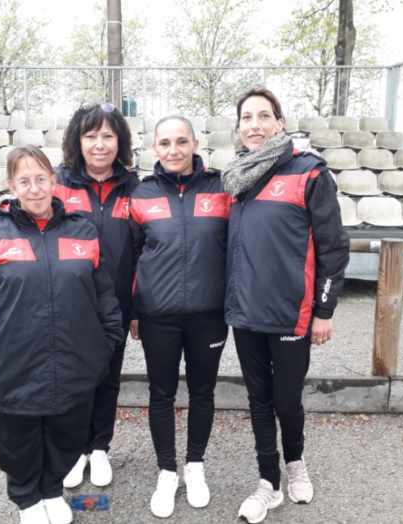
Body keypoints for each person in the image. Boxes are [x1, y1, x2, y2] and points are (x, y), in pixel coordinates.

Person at [0, 103, 139, 489]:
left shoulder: (134, 187)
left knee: (107, 378)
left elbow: (146, 246)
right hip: (64, 305)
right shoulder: (58, 181)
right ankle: (75, 452)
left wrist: (136, 307)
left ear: (120, 141)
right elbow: (15, 210)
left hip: (112, 302)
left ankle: (100, 448)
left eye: (108, 136)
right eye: (91, 135)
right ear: (78, 140)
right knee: (72, 382)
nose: (99, 144)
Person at [0, 146, 124, 524]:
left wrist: (104, 344)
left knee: (66, 432)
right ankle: (28, 498)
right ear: (11, 186)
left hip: (73, 362)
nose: (34, 189)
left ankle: (51, 490)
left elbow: (104, 296)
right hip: (12, 365)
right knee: (19, 437)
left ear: (54, 182)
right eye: (24, 181)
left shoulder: (82, 231)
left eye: (41, 179)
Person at [221, 87, 349, 524]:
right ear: (238, 127)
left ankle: (295, 462)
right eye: (246, 117)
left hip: (292, 313)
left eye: (263, 116)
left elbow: (333, 247)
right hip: (246, 311)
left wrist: (324, 311)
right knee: (258, 398)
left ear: (279, 121)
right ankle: (267, 482)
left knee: (287, 399)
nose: (254, 125)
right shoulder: (235, 178)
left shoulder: (309, 172)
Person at [129, 115, 230, 518]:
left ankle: (195, 466)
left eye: (181, 141)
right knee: (161, 394)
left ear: (195, 143)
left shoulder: (221, 188)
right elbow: (131, 256)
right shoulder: (141, 194)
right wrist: (135, 310)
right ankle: (167, 471)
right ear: (155, 148)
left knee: (203, 392)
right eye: (165, 143)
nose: (173, 150)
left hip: (209, 314)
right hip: (158, 316)